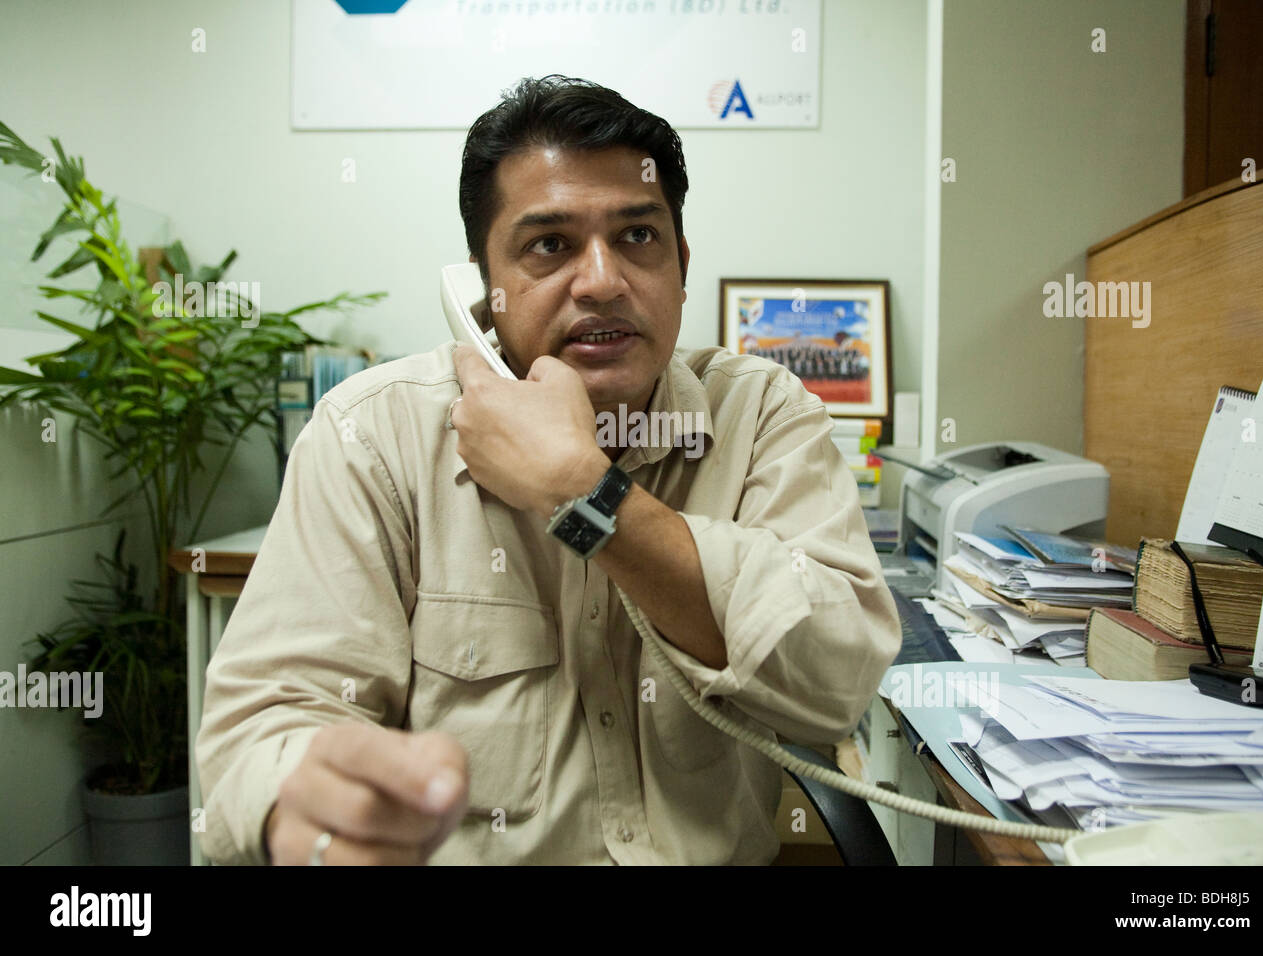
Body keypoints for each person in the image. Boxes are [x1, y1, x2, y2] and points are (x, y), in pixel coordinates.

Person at [196, 74, 901, 866]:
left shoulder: (762, 414)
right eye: (549, 245)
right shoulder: (372, 438)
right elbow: (266, 724)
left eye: (638, 236)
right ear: (479, 290)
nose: (602, 280)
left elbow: (839, 677)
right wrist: (302, 799)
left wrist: (584, 494)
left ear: (681, 262)